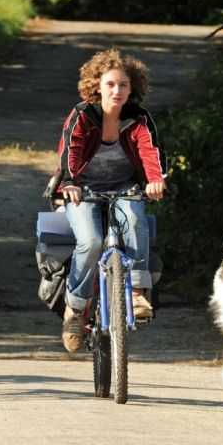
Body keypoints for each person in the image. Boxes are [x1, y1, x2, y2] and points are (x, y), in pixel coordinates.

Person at [53, 48, 166, 353]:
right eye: (110, 84)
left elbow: (150, 151)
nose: (117, 91)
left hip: (125, 186)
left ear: (132, 88)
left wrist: (155, 180)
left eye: (123, 85)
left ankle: (138, 292)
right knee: (90, 242)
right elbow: (70, 149)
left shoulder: (139, 118)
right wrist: (69, 182)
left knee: (136, 220)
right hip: (83, 188)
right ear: (97, 86)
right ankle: (75, 310)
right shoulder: (82, 115)